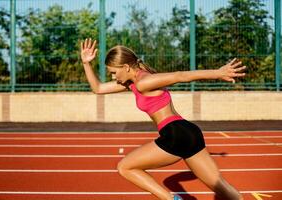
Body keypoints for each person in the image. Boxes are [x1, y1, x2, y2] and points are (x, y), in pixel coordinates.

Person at [80, 38, 245, 200]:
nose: (114, 77)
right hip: (189, 132)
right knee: (221, 187)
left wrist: (218, 73)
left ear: (125, 67)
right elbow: (98, 88)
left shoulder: (144, 82)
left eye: (114, 73)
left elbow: (180, 76)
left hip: (175, 134)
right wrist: (86, 63)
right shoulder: (133, 83)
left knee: (125, 167)